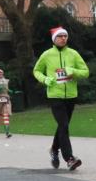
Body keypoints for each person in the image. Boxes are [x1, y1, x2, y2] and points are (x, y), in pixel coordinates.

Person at [33, 26, 89, 170]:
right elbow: (36, 71)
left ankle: (53, 149)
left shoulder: (73, 54)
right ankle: (69, 159)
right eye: (60, 36)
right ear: (54, 39)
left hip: (71, 95)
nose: (63, 38)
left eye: (65, 36)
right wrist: (45, 80)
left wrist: (73, 72)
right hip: (55, 95)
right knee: (63, 125)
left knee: (63, 126)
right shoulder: (46, 55)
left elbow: (85, 72)